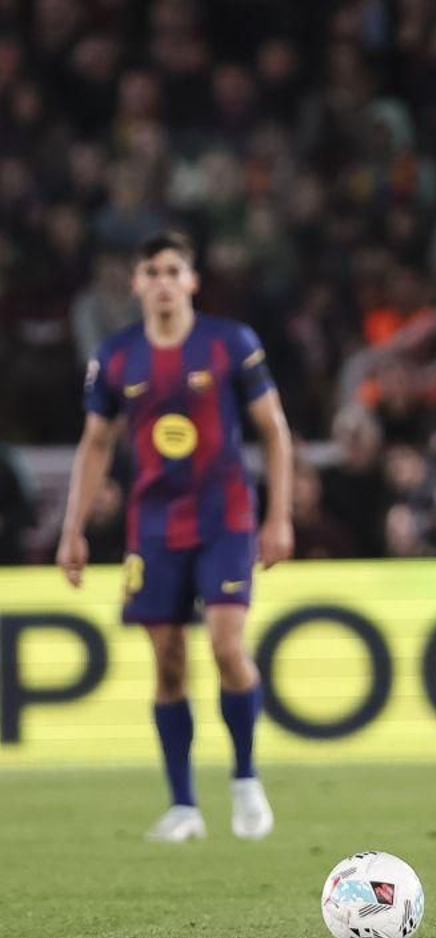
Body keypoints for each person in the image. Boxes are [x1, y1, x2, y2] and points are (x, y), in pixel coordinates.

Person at [55, 231, 294, 843]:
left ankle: (244, 779)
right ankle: (184, 805)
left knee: (224, 645)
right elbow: (96, 444)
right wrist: (73, 528)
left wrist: (279, 516)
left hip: (226, 518)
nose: (161, 281)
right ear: (136, 283)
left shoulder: (229, 344)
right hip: (154, 527)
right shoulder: (115, 356)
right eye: (150, 271)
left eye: (172, 270)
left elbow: (273, 429)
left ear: (191, 281)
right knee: (166, 664)